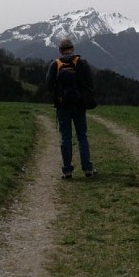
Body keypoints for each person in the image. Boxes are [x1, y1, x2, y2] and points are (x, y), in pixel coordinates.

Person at [46, 38, 97, 179]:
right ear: (72, 48)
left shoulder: (55, 64)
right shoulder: (81, 63)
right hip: (79, 105)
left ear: (60, 50)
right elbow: (90, 83)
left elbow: (49, 87)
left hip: (62, 106)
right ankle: (87, 169)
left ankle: (67, 171)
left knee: (65, 138)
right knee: (82, 136)